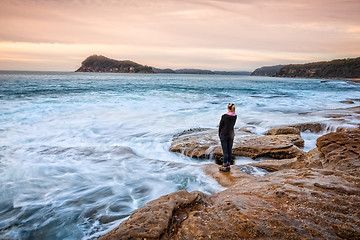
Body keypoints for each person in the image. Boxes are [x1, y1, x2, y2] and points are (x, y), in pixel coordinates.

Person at [218, 102, 237, 172]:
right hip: (231, 134)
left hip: (224, 135)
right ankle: (228, 164)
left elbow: (221, 126)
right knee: (229, 150)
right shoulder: (235, 116)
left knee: (225, 151)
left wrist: (219, 134)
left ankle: (224, 165)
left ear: (228, 108)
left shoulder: (224, 116)